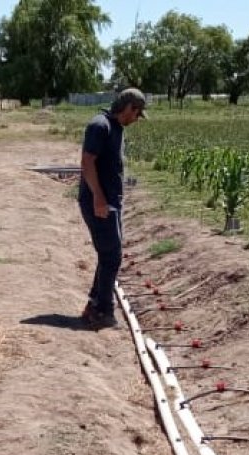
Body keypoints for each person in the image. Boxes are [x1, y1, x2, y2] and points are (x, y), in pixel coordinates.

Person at [78, 88, 147, 329]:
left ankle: (96, 304)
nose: (137, 120)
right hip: (99, 202)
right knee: (111, 255)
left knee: (110, 254)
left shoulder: (115, 127)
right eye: (137, 115)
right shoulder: (100, 126)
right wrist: (98, 197)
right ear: (129, 108)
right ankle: (101, 310)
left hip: (110, 202)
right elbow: (87, 161)